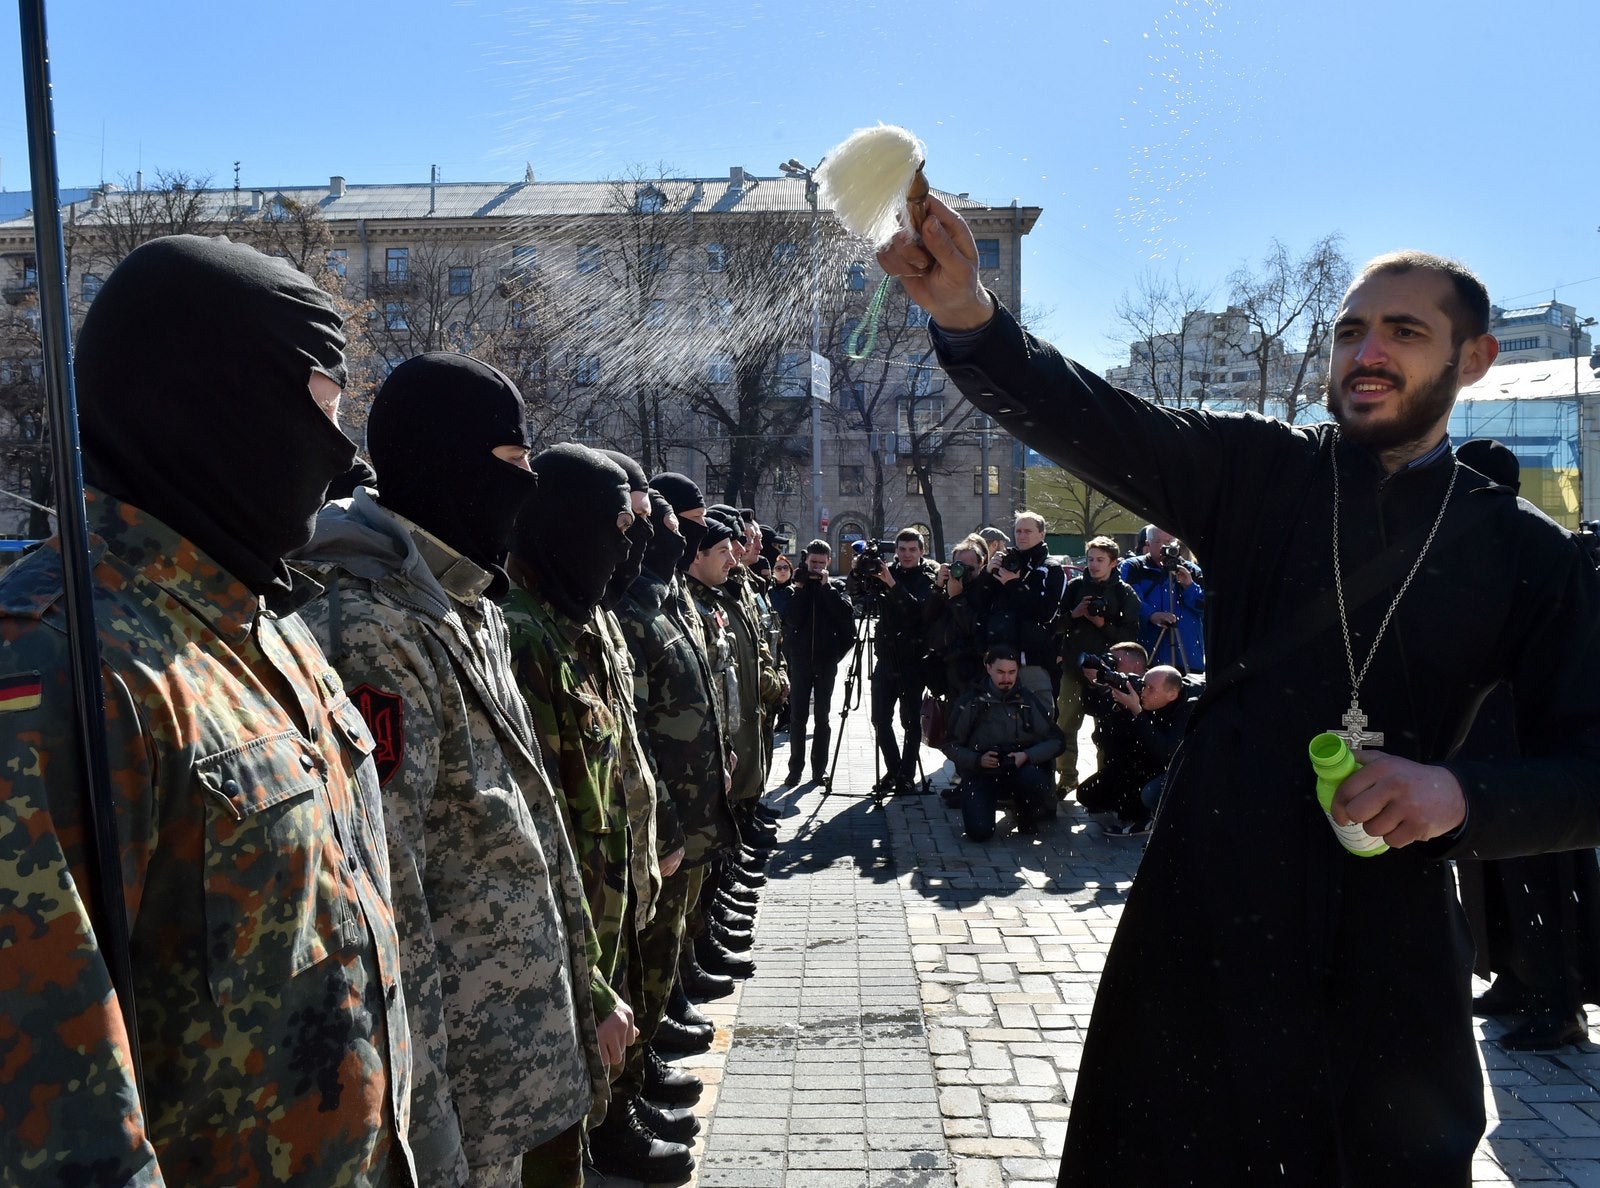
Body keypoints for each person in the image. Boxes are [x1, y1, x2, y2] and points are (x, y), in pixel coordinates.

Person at [883, 198, 1600, 1184]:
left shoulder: (1526, 553)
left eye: (1404, 330)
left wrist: (1459, 797)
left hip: (1385, 924)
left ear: (1471, 360)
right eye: (1350, 329)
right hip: (1211, 896)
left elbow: (1590, 766)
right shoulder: (1263, 470)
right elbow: (1098, 418)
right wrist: (971, 316)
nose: (1367, 351)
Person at [0, 236, 414, 1184]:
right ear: (221, 404)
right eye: (320, 406)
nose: (341, 452)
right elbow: (55, 1126)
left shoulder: (267, 626)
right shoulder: (64, 662)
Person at [296, 354, 605, 1187]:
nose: (528, 487)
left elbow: (526, 825)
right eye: (511, 466)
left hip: (527, 1064)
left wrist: (589, 987)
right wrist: (426, 1139)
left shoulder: (467, 605)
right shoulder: (370, 629)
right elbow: (390, 899)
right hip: (465, 1107)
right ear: (447, 464)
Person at [502, 443, 694, 1183]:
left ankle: (612, 1123)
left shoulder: (584, 617)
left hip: (609, 895)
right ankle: (605, 1133)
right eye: (620, 526)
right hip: (566, 924)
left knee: (602, 1059)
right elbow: (534, 828)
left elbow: (623, 756)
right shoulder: (523, 633)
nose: (635, 546)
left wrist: (656, 840)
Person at [1452, 438, 1600, 1050]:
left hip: (1527, 743)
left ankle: (1558, 1001)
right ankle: (1513, 974)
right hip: (1482, 739)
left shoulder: (1540, 547)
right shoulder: (1473, 544)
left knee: (1537, 871)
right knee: (1488, 867)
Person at [847, 528, 940, 793]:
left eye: (912, 549)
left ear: (922, 551)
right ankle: (894, 768)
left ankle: (907, 775)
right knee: (879, 718)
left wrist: (892, 585)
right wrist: (857, 572)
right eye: (902, 549)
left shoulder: (927, 577)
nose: (907, 554)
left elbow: (918, 612)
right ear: (896, 551)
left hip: (913, 659)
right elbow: (858, 596)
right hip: (886, 656)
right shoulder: (885, 570)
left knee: (910, 721)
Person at [943, 645, 1064, 841]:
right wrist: (977, 760)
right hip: (982, 773)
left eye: (1011, 672)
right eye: (1000, 672)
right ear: (988, 668)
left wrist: (1026, 756)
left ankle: (1026, 810)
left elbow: (1056, 741)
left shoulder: (1028, 700)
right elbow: (950, 745)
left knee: (1035, 779)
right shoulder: (971, 701)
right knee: (979, 833)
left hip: (1020, 769)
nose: (1006, 679)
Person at [1055, 536, 1142, 794]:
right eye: (1090, 559)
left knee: (1106, 730)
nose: (1093, 565)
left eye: (1100, 560)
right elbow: (1056, 625)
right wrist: (1075, 614)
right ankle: (1067, 777)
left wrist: (1102, 624)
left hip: (1108, 673)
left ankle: (1105, 782)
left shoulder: (1124, 593)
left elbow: (1129, 639)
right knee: (1065, 726)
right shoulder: (1074, 588)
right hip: (1073, 668)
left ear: (1113, 563)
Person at [1075, 664, 1194, 836]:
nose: (1143, 692)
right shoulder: (1143, 697)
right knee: (1088, 794)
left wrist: (1138, 711)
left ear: (1172, 694)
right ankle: (1133, 809)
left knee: (1149, 793)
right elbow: (1108, 744)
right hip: (1142, 765)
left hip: (1176, 770)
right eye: (1144, 685)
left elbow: (1167, 753)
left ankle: (1151, 819)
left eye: (1150, 689)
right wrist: (1115, 704)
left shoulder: (1187, 708)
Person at [778, 539, 857, 785]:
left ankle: (818, 770)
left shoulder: (837, 588)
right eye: (813, 563)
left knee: (822, 717)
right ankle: (795, 769)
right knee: (797, 718)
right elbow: (791, 619)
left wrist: (826, 588)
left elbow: (846, 618)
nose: (817, 568)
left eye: (822, 564)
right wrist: (800, 589)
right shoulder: (796, 588)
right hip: (800, 662)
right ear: (806, 561)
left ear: (829, 563)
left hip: (825, 663)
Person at [982, 510, 1067, 698]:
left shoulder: (1050, 568)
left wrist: (1014, 585)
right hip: (1001, 657)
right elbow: (983, 603)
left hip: (1035, 659)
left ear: (1042, 534)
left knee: (1038, 717)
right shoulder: (1006, 562)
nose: (1022, 536)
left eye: (1028, 531)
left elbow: (1046, 612)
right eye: (1018, 531)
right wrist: (987, 575)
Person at [1119, 526, 1206, 673]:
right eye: (1158, 541)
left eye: (1169, 541)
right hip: (1150, 650)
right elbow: (1129, 599)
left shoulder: (1191, 570)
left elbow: (1204, 607)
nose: (1165, 546)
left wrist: (1189, 586)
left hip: (1187, 652)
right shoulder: (1134, 566)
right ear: (1148, 543)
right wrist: (1151, 615)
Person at [925, 534, 994, 701]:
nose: (963, 573)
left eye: (970, 569)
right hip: (946, 665)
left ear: (981, 564)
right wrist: (938, 587)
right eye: (959, 566)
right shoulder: (948, 584)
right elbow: (927, 617)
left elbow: (974, 627)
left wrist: (956, 598)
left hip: (972, 667)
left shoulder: (987, 589)